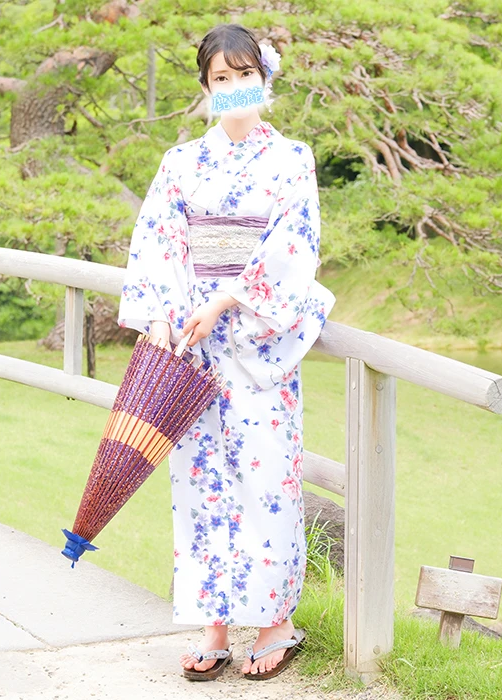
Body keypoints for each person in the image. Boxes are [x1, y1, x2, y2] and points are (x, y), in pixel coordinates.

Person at [117, 22, 336, 682]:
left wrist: (230, 298)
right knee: (200, 481)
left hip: (256, 338)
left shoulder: (291, 159)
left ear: (264, 80)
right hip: (193, 345)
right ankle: (214, 622)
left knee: (266, 478)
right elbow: (159, 240)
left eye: (246, 75)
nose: (236, 87)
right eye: (222, 78)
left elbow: (294, 244)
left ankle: (274, 623)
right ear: (206, 88)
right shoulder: (181, 162)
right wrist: (161, 313)